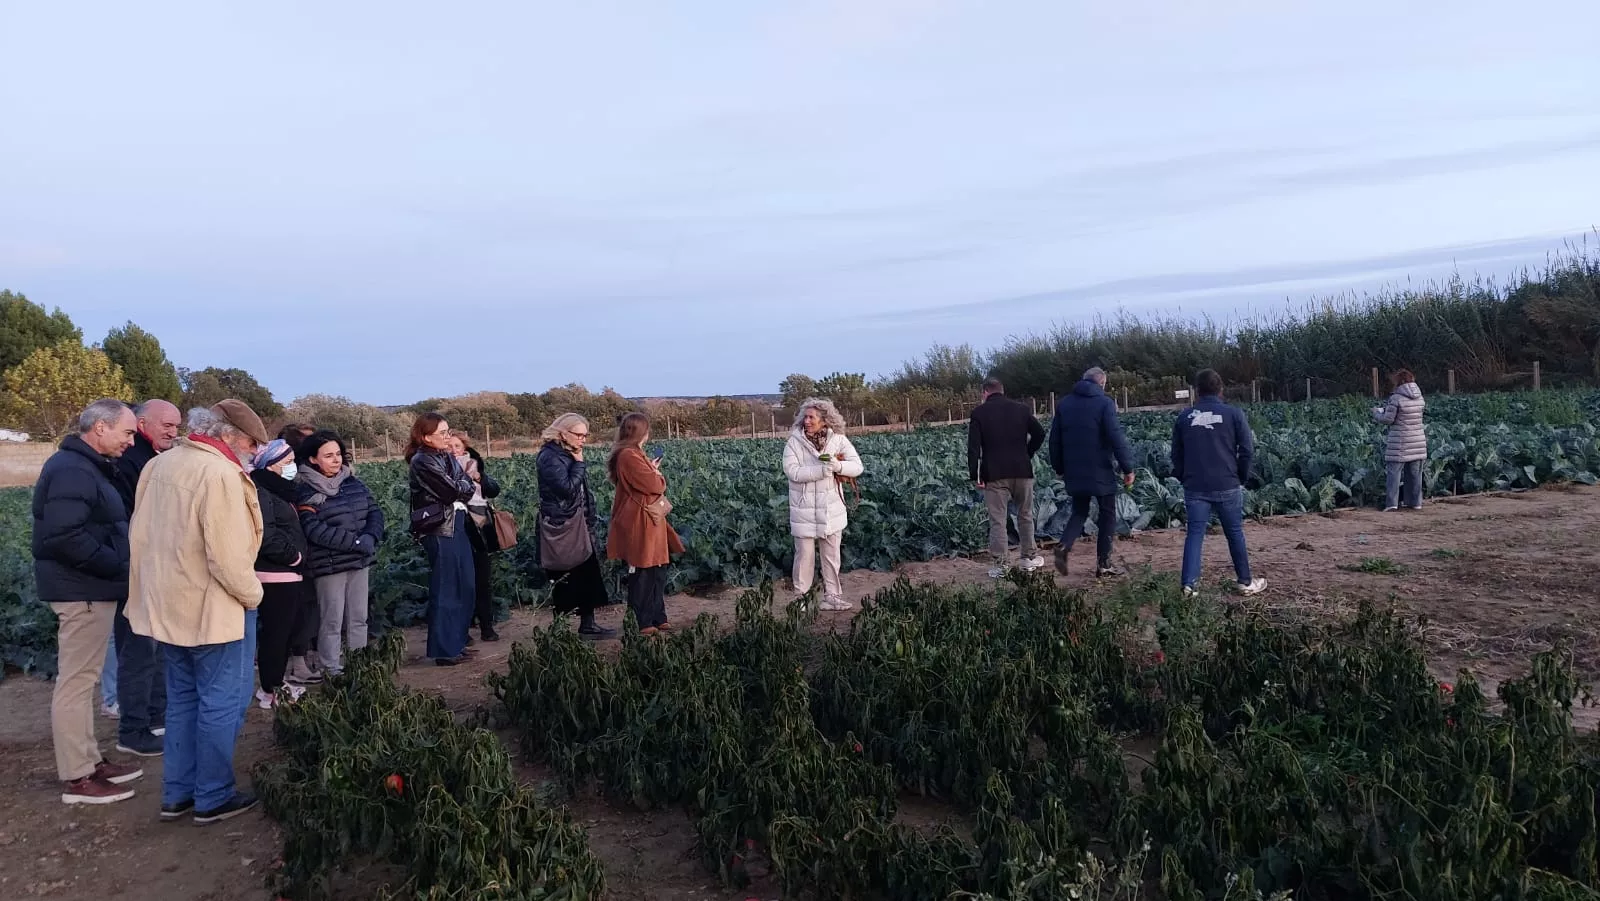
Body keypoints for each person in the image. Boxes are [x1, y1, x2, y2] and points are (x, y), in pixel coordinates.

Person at [127, 399, 267, 824]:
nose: (253, 451)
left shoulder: (160, 465)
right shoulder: (220, 474)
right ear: (228, 436)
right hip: (215, 609)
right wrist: (253, 596)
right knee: (223, 702)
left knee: (183, 701)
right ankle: (213, 795)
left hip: (169, 608)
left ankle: (178, 793)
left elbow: (139, 535)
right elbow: (225, 557)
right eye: (250, 443)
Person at [33, 399, 145, 804]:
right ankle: (78, 777)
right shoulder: (72, 470)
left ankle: (89, 760)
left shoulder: (84, 468)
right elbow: (63, 536)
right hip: (80, 588)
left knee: (85, 679)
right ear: (100, 427)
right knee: (77, 682)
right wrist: (115, 565)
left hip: (89, 587)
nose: (131, 441)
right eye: (127, 432)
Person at [106, 398, 182, 757]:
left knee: (158, 646)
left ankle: (157, 715)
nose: (174, 432)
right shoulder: (129, 462)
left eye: (177, 426)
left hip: (155, 566)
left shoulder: (153, 459)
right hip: (135, 569)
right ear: (141, 423)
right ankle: (133, 728)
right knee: (138, 650)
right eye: (167, 424)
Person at [294, 431, 383, 677]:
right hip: (329, 565)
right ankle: (331, 668)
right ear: (313, 460)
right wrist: (355, 541)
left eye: (339, 455)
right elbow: (313, 528)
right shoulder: (304, 489)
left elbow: (374, 511)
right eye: (328, 456)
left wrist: (370, 536)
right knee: (331, 621)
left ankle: (358, 665)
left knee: (359, 617)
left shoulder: (353, 482)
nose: (336, 460)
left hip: (359, 560)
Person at [1171, 371, 1266, 597]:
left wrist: (1183, 475)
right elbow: (1247, 450)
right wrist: (1241, 476)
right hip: (1227, 483)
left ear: (1197, 390)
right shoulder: (1233, 414)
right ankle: (1245, 581)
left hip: (1195, 486)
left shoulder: (1185, 417)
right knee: (1234, 532)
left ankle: (1188, 586)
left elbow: (1176, 454)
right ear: (1221, 389)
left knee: (1195, 534)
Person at [1047, 367, 1136, 577]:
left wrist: (1059, 467)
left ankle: (1064, 545)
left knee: (1079, 511)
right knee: (1107, 514)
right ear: (1102, 383)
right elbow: (1116, 438)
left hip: (1074, 468)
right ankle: (1103, 563)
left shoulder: (1065, 404)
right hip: (1101, 468)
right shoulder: (1104, 403)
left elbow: (1055, 440)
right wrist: (1128, 468)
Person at [406, 413, 479, 666]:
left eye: (449, 432)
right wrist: (461, 484)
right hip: (439, 528)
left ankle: (457, 643)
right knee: (447, 588)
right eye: (442, 434)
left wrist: (461, 484)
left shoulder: (444, 455)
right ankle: (444, 650)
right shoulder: (422, 461)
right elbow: (451, 491)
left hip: (456, 524)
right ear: (425, 437)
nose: (448, 438)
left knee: (465, 584)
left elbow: (467, 486)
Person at [782, 398, 865, 611]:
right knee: (804, 558)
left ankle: (832, 597)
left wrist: (838, 465)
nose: (807, 421)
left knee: (831, 556)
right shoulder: (794, 442)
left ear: (824, 421)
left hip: (831, 510)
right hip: (804, 509)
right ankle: (801, 599)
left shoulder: (838, 440)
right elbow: (792, 472)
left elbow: (857, 466)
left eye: (812, 417)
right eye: (805, 417)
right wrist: (821, 470)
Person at [536, 413, 614, 638]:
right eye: (579, 435)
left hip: (576, 521)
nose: (583, 440)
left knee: (586, 571)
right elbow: (567, 489)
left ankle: (587, 625)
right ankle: (561, 629)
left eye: (585, 435)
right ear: (563, 433)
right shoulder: (549, 457)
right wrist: (579, 464)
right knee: (563, 575)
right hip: (562, 525)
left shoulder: (565, 453)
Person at [606, 412, 684, 633]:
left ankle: (657, 616)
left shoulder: (633, 453)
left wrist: (650, 467)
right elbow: (655, 486)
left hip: (650, 517)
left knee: (657, 567)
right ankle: (642, 621)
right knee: (644, 569)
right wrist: (657, 473)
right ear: (641, 432)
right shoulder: (628, 455)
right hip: (641, 519)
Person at [249, 440, 308, 708]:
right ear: (271, 465)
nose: (292, 467)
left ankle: (276, 683)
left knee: (284, 633)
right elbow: (267, 534)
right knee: (276, 635)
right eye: (287, 462)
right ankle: (270, 690)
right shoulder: (263, 492)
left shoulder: (281, 491)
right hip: (275, 574)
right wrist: (293, 556)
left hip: (288, 574)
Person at [967, 377, 1046, 577]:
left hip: (994, 474)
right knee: (1025, 515)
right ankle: (1028, 559)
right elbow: (1039, 433)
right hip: (1022, 471)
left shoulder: (979, 413)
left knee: (998, 520)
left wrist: (973, 474)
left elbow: (973, 448)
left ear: (985, 392)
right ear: (1002, 391)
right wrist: (1027, 453)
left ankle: (1001, 566)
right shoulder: (1021, 409)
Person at [276, 423, 320, 685]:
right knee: (299, 609)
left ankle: (308, 656)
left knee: (311, 607)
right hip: (295, 554)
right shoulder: (291, 481)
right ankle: (297, 663)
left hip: (310, 551)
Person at [448, 432, 502, 642]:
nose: (453, 450)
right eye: (449, 446)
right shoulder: (441, 470)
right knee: (461, 581)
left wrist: (480, 477)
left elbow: (493, 490)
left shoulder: (475, 464)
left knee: (482, 580)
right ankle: (465, 628)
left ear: (464, 448)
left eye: (457, 446)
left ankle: (487, 626)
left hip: (480, 528)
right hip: (456, 527)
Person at [1373, 369, 1427, 511]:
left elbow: (1388, 419)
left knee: (1394, 473)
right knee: (1415, 474)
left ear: (1399, 381)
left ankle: (1392, 504)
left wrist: (1376, 413)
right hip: (1418, 441)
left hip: (1400, 442)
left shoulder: (1396, 398)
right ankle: (1415, 503)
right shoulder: (1420, 398)